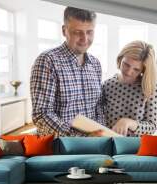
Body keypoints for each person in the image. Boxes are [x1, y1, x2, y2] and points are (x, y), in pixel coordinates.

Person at [30, 7, 105, 136]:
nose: (85, 38)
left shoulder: (96, 64)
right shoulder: (48, 61)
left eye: (90, 32)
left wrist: (101, 134)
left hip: (94, 145)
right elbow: (41, 115)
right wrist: (79, 137)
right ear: (64, 31)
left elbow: (98, 107)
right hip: (59, 147)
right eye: (77, 32)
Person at [102, 41, 157, 136]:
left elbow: (152, 127)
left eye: (136, 69)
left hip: (134, 147)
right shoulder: (107, 85)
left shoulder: (149, 87)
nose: (129, 72)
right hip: (109, 143)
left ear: (143, 70)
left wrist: (129, 122)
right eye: (126, 64)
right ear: (120, 59)